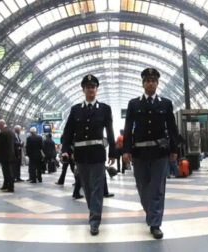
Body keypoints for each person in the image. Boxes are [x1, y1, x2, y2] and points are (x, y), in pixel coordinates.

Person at [122, 67, 179, 239]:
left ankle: (155, 223)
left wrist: (174, 149)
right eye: (147, 80)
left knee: (157, 189)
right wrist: (126, 150)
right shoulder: (134, 104)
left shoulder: (166, 104)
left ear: (157, 83)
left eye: (154, 80)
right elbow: (128, 129)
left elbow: (172, 128)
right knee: (143, 188)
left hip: (159, 153)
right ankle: (151, 212)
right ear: (143, 83)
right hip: (139, 153)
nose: (151, 83)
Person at [61, 74, 116, 236]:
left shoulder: (105, 109)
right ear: (83, 90)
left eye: (93, 87)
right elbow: (68, 132)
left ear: (96, 89)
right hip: (80, 155)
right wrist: (66, 149)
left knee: (97, 188)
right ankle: (93, 211)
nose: (91, 89)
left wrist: (112, 151)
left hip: (98, 154)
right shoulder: (76, 110)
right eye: (88, 87)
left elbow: (110, 132)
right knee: (86, 186)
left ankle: (94, 220)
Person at [0, 119, 15, 192]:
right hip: (11, 154)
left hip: (4, 155)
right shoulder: (11, 132)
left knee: (6, 171)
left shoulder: (2, 133)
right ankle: (6, 185)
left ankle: (10, 187)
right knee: (10, 171)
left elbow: (1, 145)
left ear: (1, 125)